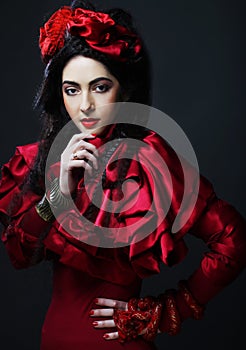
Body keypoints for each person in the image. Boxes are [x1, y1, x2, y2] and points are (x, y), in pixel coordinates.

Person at [0, 0, 245, 349]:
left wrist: (163, 311)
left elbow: (234, 241)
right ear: (60, 94)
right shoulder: (43, 160)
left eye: (100, 87)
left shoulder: (151, 162)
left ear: (125, 90)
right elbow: (19, 256)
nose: (85, 104)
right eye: (72, 90)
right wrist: (57, 194)